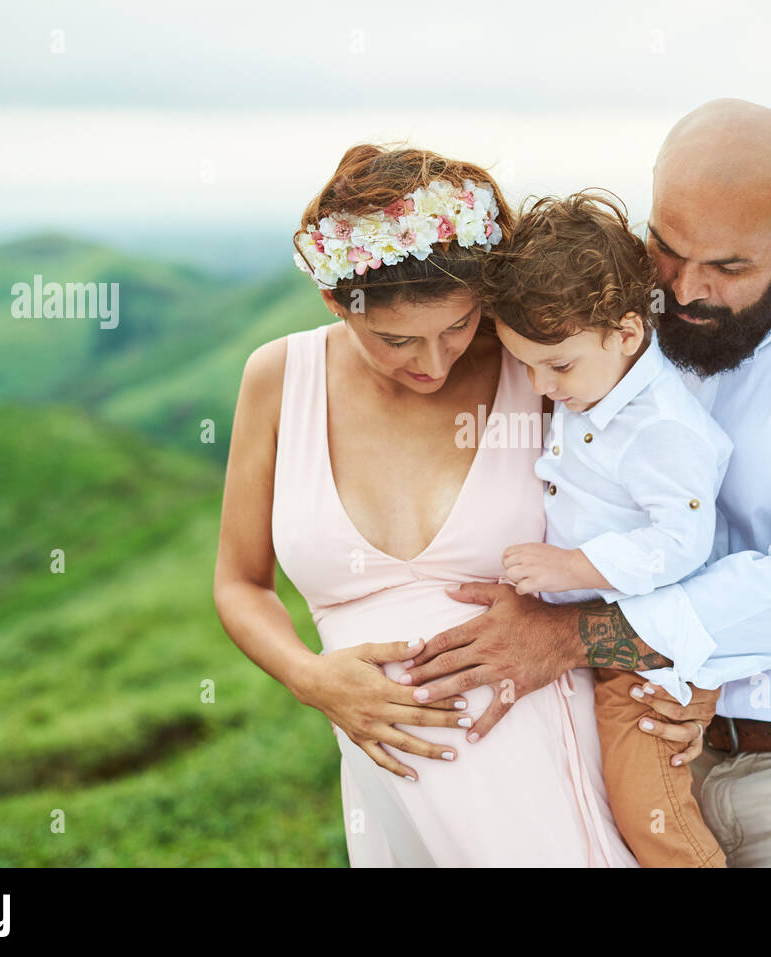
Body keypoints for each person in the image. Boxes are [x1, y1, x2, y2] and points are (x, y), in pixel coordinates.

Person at [402, 99, 771, 867]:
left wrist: (570, 636)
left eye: (728, 266)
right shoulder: (630, 313)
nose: (685, 289)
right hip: (666, 746)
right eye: (667, 250)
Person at [212, 143, 642, 866]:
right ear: (334, 300)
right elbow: (239, 582)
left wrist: (576, 634)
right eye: (395, 340)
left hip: (549, 775)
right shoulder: (279, 379)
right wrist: (309, 677)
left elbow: (680, 564)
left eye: (457, 326)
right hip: (392, 802)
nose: (434, 363)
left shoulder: (536, 374)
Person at [487, 190, 732, 867]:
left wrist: (571, 568)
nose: (542, 385)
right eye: (525, 364)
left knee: (645, 807)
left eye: (557, 364)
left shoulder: (658, 425)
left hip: (642, 648)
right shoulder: (595, 382)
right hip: (596, 639)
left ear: (627, 332)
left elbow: (683, 540)